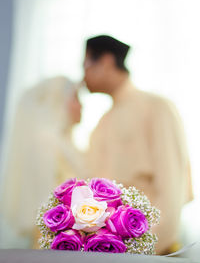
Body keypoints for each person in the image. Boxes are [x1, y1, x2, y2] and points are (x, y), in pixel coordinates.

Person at [83, 35, 193, 255]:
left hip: (149, 250)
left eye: (85, 64)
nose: (83, 75)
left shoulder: (156, 107)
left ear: (105, 61)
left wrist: (146, 248)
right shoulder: (103, 122)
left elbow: (172, 186)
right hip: (109, 252)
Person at [0, 76, 84, 248]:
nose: (81, 105)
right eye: (75, 98)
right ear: (58, 101)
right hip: (50, 240)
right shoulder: (45, 143)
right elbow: (42, 202)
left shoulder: (66, 144)